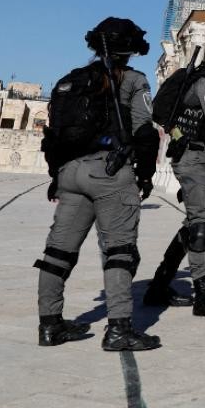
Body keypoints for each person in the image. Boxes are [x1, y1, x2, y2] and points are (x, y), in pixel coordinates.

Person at [35, 17, 162, 351]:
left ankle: (49, 325)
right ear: (130, 49)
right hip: (109, 170)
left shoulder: (71, 80)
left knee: (58, 252)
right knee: (120, 250)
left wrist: (55, 177)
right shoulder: (134, 80)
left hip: (70, 172)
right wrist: (145, 174)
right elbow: (144, 130)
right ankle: (119, 330)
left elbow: (54, 135)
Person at [142, 59, 205, 318]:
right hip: (195, 159)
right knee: (200, 227)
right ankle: (203, 295)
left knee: (193, 225)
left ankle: (159, 285)